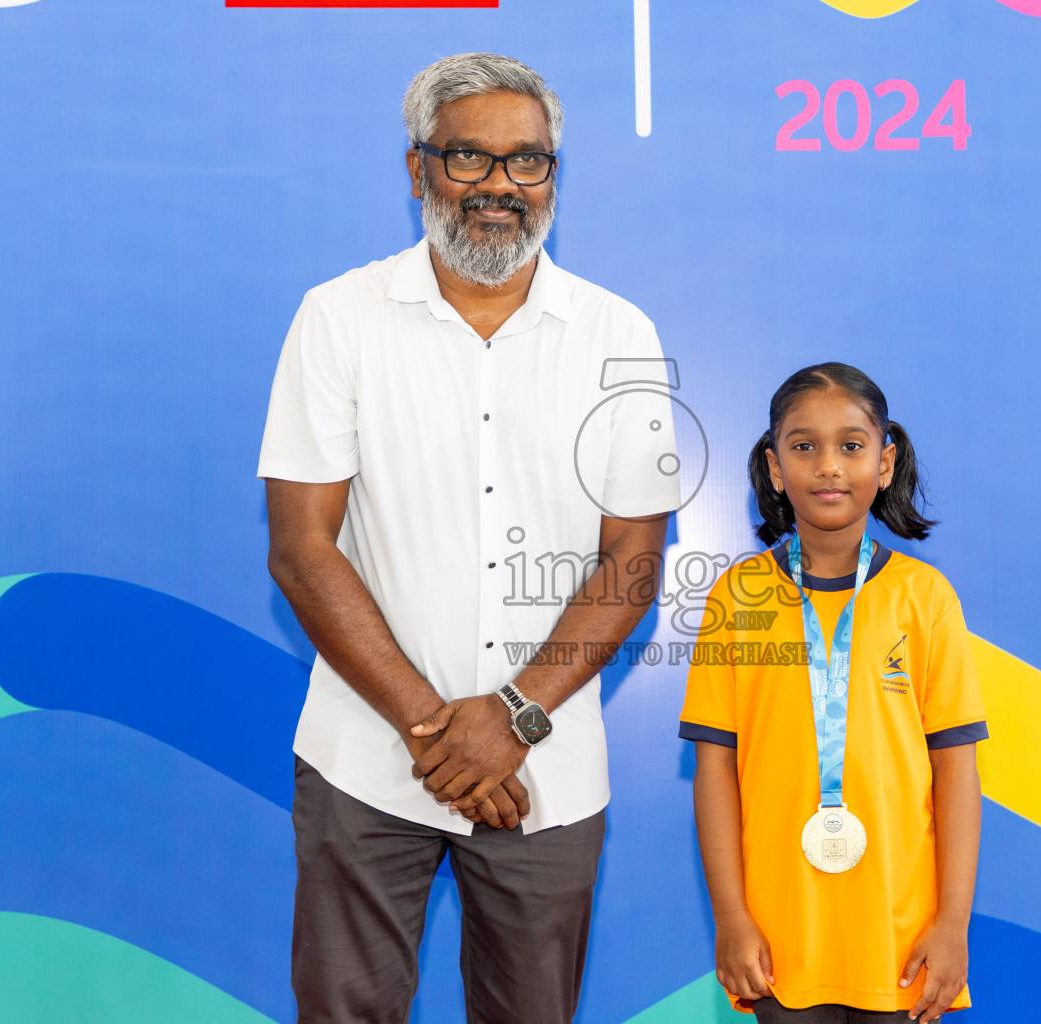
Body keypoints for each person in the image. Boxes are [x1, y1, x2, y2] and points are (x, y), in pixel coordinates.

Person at [257, 53, 680, 1024]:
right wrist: (437, 729)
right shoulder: (337, 319)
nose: (500, 185)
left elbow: (635, 561)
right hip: (363, 761)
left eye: (527, 162)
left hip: (548, 771)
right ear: (416, 172)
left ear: (554, 178)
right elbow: (300, 547)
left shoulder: (621, 334)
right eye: (468, 158)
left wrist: (515, 718)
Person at [679, 362, 987, 1023]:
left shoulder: (924, 598)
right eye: (803, 445)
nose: (828, 466)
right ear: (772, 467)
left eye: (851, 445)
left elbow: (956, 767)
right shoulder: (739, 596)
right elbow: (715, 770)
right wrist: (731, 918)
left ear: (885, 462)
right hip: (781, 940)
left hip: (901, 940)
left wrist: (953, 923)